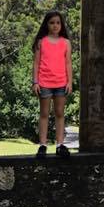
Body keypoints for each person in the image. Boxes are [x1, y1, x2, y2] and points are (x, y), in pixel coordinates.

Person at [32, 11, 73, 158]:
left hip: (61, 83)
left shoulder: (66, 43)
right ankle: (42, 145)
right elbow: (36, 63)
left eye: (58, 23)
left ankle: (60, 145)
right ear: (47, 24)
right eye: (52, 22)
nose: (55, 25)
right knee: (44, 114)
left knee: (60, 113)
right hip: (44, 83)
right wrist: (35, 82)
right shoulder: (41, 42)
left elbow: (68, 63)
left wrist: (70, 81)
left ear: (61, 25)